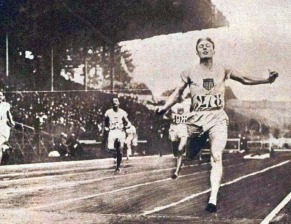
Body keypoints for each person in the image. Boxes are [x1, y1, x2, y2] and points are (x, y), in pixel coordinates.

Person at [156, 37, 278, 213]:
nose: (204, 48)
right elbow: (177, 92)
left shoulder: (223, 69)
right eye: (201, 47)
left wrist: (266, 80)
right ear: (197, 52)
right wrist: (164, 107)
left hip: (217, 118)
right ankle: (187, 156)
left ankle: (213, 198)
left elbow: (244, 78)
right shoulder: (189, 72)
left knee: (216, 155)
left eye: (208, 46)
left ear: (213, 50)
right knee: (189, 153)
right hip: (197, 119)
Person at [164, 100, 191, 179]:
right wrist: (171, 118)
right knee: (175, 153)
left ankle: (176, 172)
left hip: (183, 128)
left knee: (180, 149)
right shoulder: (173, 106)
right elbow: (165, 116)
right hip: (174, 129)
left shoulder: (188, 104)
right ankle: (181, 156)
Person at [104, 97, 131, 173]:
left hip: (120, 131)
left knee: (120, 149)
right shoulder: (108, 112)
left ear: (119, 103)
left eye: (116, 101)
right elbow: (105, 123)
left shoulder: (123, 112)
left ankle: (118, 166)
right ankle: (116, 153)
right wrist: (106, 127)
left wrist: (127, 126)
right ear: (112, 104)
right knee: (110, 147)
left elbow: (128, 122)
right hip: (112, 131)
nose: (114, 102)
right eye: (113, 101)